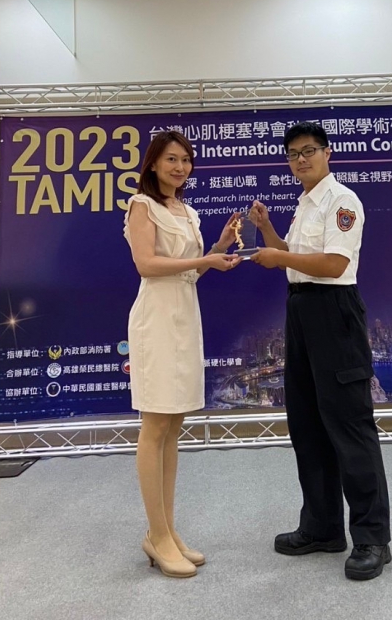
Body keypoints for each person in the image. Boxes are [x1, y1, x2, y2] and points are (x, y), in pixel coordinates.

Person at [250, 121, 391, 581]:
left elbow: (333, 264)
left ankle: (372, 538)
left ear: (327, 153)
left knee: (350, 427)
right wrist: (266, 229)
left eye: (308, 150)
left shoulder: (341, 200)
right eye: (293, 154)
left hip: (334, 312)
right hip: (301, 312)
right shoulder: (304, 204)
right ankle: (322, 527)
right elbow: (293, 257)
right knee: (308, 427)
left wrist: (281, 257)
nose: (300, 159)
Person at [124, 130, 240, 578]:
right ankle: (156, 535)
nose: (180, 167)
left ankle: (168, 532)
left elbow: (190, 274)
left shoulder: (188, 212)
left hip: (185, 316)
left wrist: (219, 249)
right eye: (171, 159)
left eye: (186, 160)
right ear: (154, 163)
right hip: (156, 318)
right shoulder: (142, 205)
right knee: (155, 425)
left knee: (173, 427)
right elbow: (147, 265)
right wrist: (203, 260)